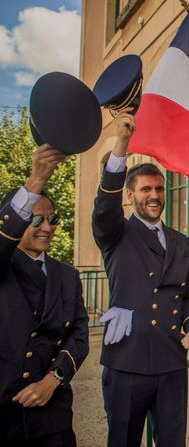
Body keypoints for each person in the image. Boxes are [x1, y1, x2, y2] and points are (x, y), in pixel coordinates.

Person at [92, 108, 189, 447]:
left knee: (172, 442)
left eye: (158, 188)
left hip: (170, 362)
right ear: (130, 195)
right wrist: (121, 144)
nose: (154, 195)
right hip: (127, 361)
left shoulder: (181, 241)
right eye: (144, 189)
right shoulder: (115, 234)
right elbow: (103, 208)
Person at [0, 144, 89, 446]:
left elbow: (79, 333)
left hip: (54, 418)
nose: (47, 227)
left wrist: (54, 380)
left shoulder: (67, 275)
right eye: (36, 219)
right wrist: (35, 182)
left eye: (53, 219)